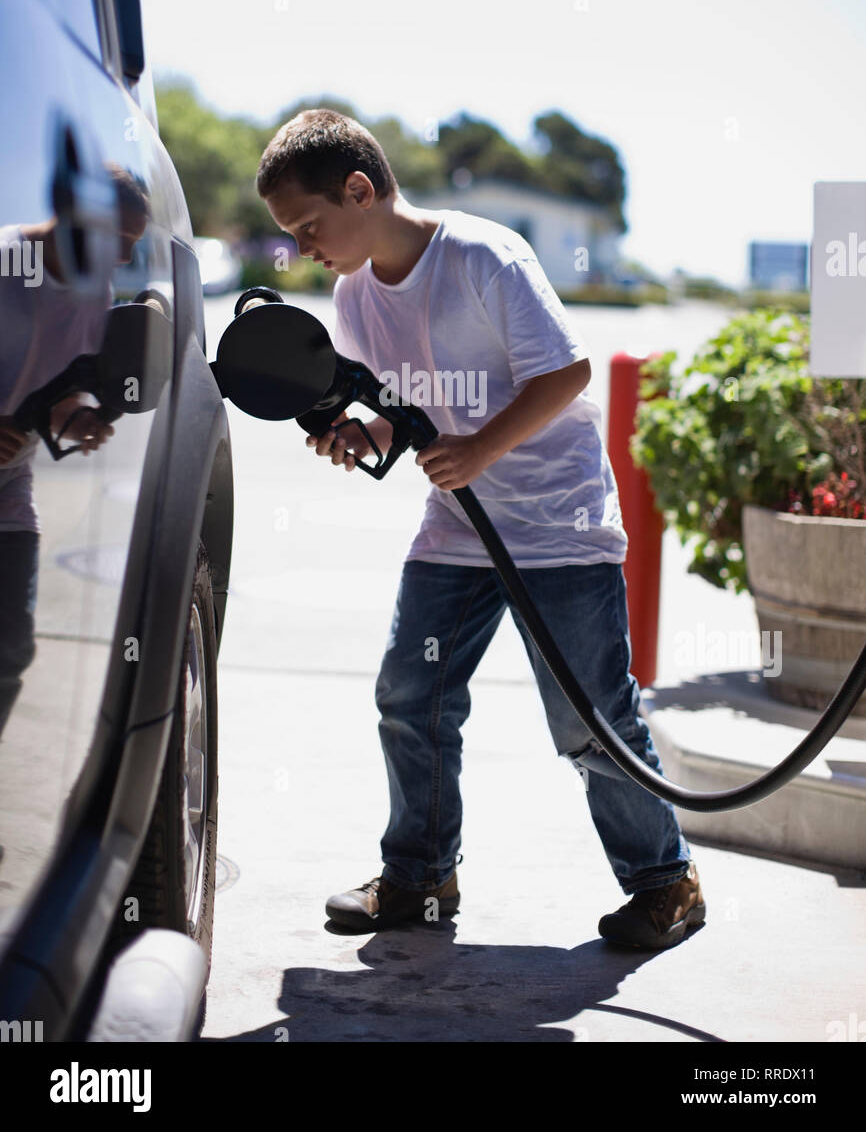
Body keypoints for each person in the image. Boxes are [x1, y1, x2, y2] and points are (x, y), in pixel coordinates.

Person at [256, 109, 706, 951]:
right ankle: (421, 879)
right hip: (459, 528)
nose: (302, 247)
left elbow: (566, 372)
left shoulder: (483, 255)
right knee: (410, 693)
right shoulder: (355, 298)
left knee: (589, 721)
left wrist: (480, 448)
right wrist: (366, 436)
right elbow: (409, 415)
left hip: (558, 524)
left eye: (309, 226)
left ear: (360, 189)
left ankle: (667, 883)